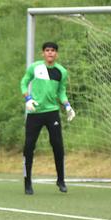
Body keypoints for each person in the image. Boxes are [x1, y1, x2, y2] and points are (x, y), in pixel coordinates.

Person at [20, 41, 76, 195]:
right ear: (43, 53)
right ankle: (27, 182)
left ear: (56, 54)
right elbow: (24, 83)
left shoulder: (61, 72)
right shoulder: (35, 67)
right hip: (35, 113)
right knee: (29, 147)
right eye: (47, 50)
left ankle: (61, 180)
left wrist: (67, 105)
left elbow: (61, 92)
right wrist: (28, 98)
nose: (50, 53)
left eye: (53, 51)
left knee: (58, 145)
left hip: (52, 112)